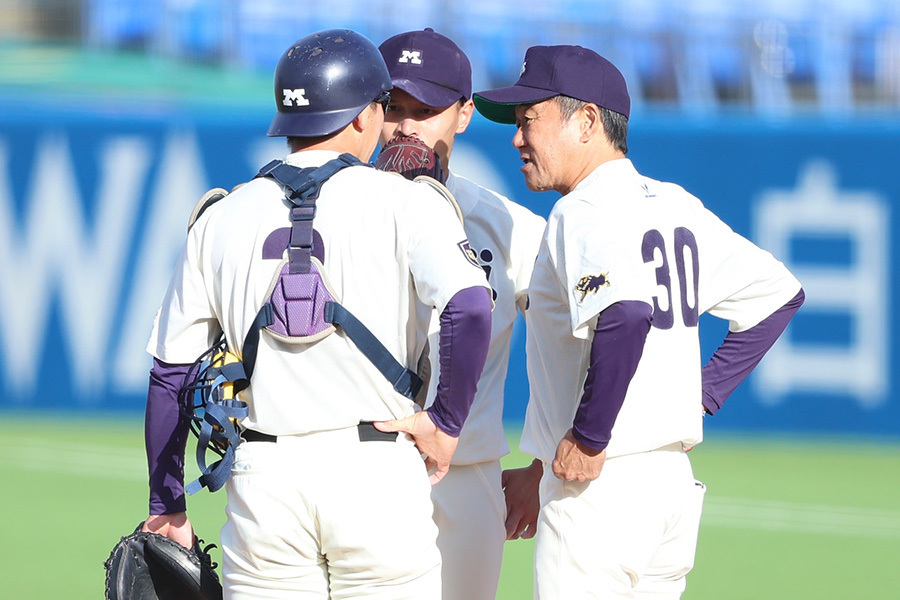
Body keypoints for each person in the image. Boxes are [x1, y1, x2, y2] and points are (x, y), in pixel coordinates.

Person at [141, 29, 493, 599]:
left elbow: (170, 377)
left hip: (265, 481)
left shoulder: (220, 218)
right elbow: (471, 308)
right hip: (374, 470)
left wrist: (167, 505)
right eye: (383, 106)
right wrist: (445, 423)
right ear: (362, 117)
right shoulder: (409, 202)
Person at [474, 45, 804, 599]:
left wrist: (588, 438)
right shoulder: (673, 203)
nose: (516, 137)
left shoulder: (582, 211)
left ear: (585, 121)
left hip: (600, 494)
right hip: (669, 489)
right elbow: (778, 296)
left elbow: (626, 315)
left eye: (529, 120)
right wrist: (698, 395)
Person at [375, 28, 546, 600]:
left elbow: (579, 336)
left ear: (465, 114)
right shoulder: (329, 213)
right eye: (392, 107)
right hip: (362, 471)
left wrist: (542, 463)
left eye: (426, 110)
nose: (405, 126)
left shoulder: (508, 225)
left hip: (467, 475)